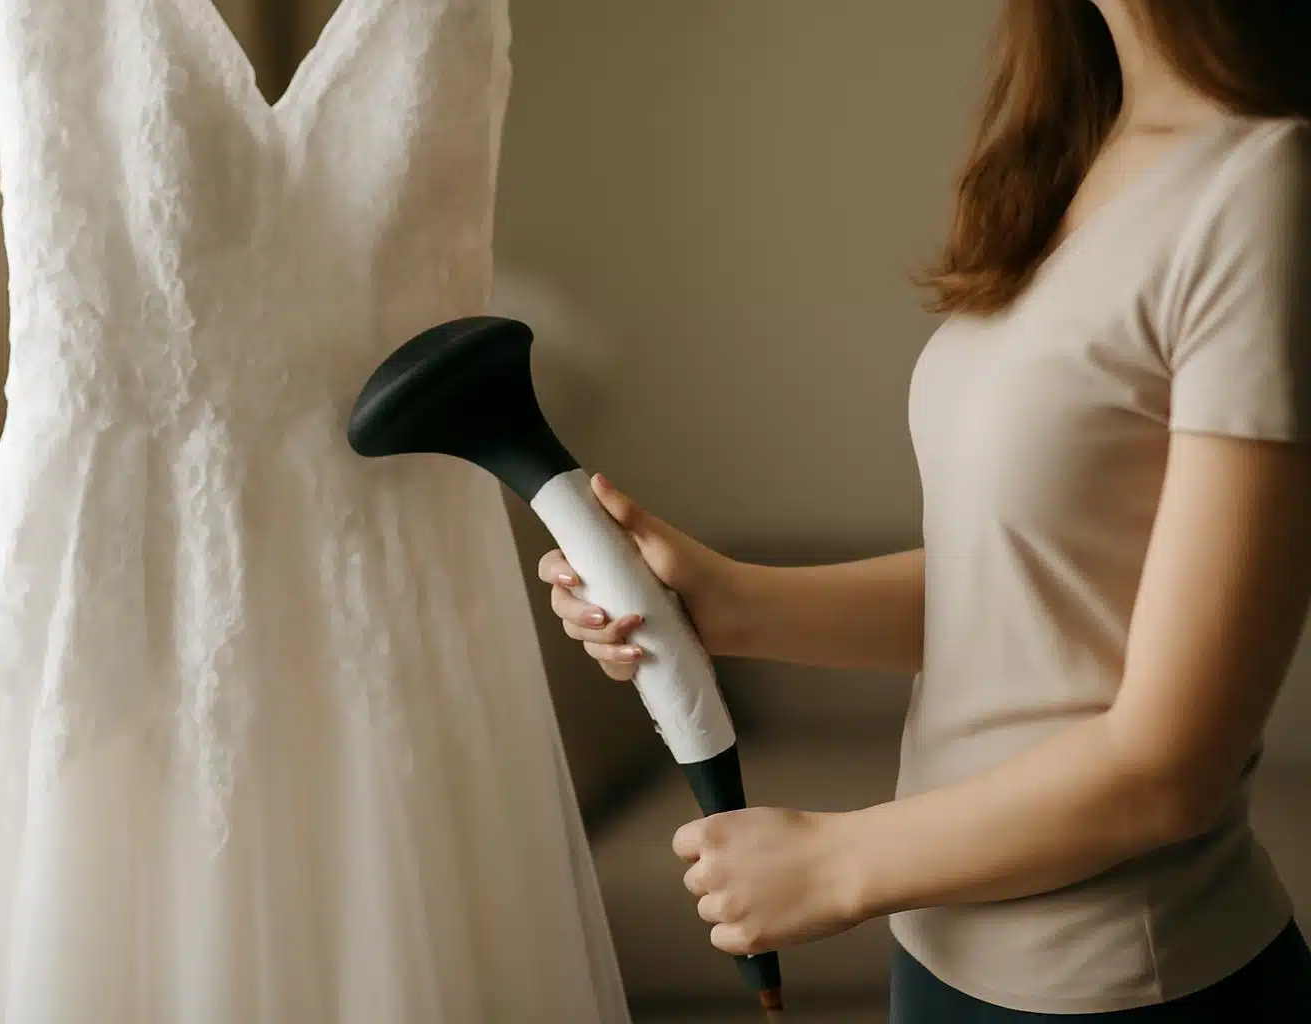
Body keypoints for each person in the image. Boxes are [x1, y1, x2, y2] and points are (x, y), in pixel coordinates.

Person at [538, 0, 1311, 1019]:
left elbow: (1174, 767)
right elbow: (1033, 591)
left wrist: (836, 862)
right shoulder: (1083, 152)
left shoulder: (1264, 183)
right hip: (939, 959)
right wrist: (728, 603)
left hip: (1120, 986)